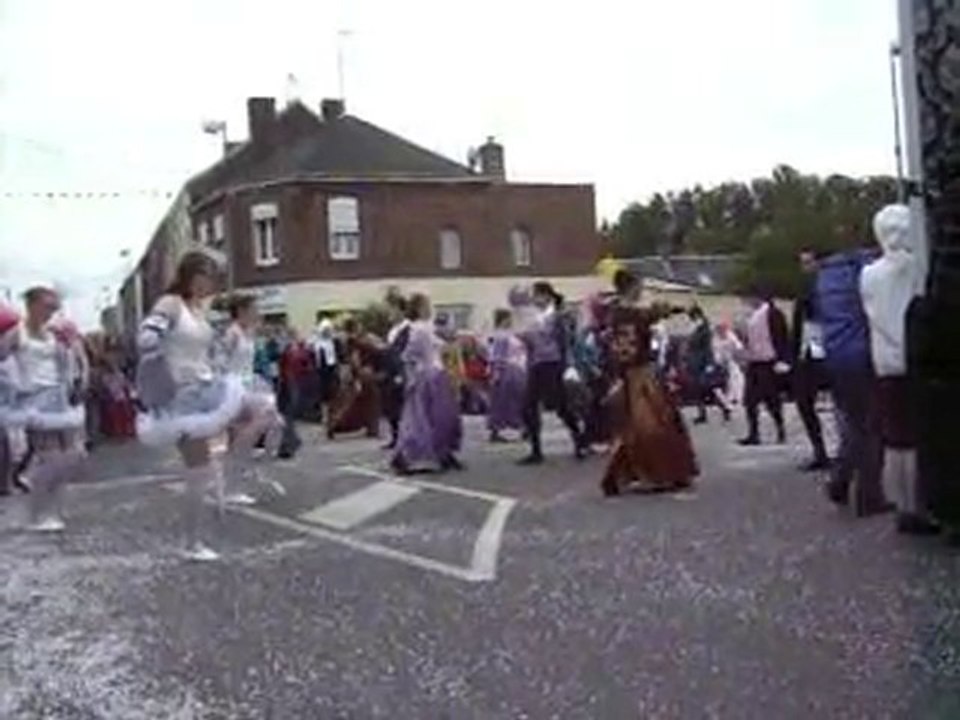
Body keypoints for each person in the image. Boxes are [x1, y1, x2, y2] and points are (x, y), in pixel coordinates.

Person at [136, 250, 245, 560]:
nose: (212, 284)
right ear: (193, 276)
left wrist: (218, 358)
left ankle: (196, 536)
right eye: (209, 276)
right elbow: (146, 337)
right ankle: (191, 542)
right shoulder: (170, 304)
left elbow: (206, 351)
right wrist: (154, 342)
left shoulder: (199, 309)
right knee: (198, 468)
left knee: (204, 466)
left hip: (203, 389)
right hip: (181, 395)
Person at [861, 204, 935, 535]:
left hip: (884, 361)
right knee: (919, 437)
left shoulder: (869, 274)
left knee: (895, 438)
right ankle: (920, 506)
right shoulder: (916, 267)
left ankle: (902, 505)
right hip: (916, 359)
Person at [601, 270, 698, 496]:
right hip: (638, 374)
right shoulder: (626, 314)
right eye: (639, 286)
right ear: (631, 287)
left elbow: (654, 314)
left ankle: (668, 473)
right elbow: (627, 345)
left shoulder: (621, 313)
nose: (641, 290)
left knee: (656, 422)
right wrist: (680, 309)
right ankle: (656, 474)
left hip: (641, 373)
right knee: (648, 425)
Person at [1, 286, 88, 531]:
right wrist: (13, 386)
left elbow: (73, 360)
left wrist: (77, 375)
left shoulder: (54, 334)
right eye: (47, 306)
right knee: (51, 456)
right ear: (32, 305)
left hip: (59, 397)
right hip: (34, 400)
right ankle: (39, 512)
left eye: (54, 307)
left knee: (73, 455)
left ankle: (48, 501)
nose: (51, 312)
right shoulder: (16, 334)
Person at [816, 244, 889, 516]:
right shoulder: (862, 272)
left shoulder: (826, 277)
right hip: (861, 354)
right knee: (870, 426)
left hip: (836, 355)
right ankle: (869, 496)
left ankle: (840, 480)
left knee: (855, 423)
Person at [219, 294, 285, 505]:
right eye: (254, 309)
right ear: (242, 311)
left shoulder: (248, 332)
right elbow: (219, 362)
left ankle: (255, 460)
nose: (258, 312)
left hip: (249, 386)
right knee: (250, 431)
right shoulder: (233, 333)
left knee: (276, 423)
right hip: (236, 389)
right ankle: (233, 487)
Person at [392, 293, 463, 475]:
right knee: (422, 418)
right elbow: (409, 354)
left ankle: (440, 453)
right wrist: (412, 372)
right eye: (426, 306)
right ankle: (412, 456)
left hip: (434, 374)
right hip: (426, 376)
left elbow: (439, 344)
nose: (429, 309)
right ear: (419, 308)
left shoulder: (426, 328)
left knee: (438, 416)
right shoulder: (418, 328)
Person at [516, 281, 586, 465]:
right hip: (536, 364)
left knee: (560, 406)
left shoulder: (557, 316)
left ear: (546, 296)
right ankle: (536, 450)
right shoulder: (535, 317)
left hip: (553, 363)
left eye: (537, 295)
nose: (534, 299)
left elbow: (564, 341)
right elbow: (532, 341)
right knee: (529, 405)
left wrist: (566, 365)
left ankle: (579, 439)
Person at [791, 249, 831, 471]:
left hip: (822, 351)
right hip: (808, 352)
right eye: (802, 263)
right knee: (805, 403)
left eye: (808, 262)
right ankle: (821, 450)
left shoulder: (824, 290)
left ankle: (826, 451)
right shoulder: (807, 290)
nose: (805, 268)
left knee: (819, 404)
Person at [738, 289, 790, 446]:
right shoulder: (752, 315)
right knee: (749, 400)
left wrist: (783, 359)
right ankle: (753, 433)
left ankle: (780, 429)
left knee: (771, 399)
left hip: (768, 361)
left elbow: (782, 336)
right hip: (754, 361)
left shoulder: (772, 313)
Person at [328, 318, 382, 439]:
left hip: (360, 373)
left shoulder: (351, 341)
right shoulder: (356, 341)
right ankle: (338, 425)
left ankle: (336, 425)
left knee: (359, 402)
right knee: (365, 402)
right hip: (363, 374)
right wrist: (358, 372)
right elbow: (356, 357)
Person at [487, 308, 527, 442]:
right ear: (503, 320)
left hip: (515, 369)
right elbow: (497, 356)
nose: (511, 321)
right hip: (508, 371)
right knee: (506, 401)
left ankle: (510, 427)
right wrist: (496, 373)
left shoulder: (507, 335)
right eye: (508, 319)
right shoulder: (501, 336)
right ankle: (500, 428)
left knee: (510, 400)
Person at [686, 305, 730, 424]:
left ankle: (724, 407)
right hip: (695, 362)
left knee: (708, 388)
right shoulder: (697, 328)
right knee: (699, 390)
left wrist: (709, 364)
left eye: (692, 316)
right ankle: (703, 414)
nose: (691, 319)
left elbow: (707, 348)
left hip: (702, 362)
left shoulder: (704, 329)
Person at [381, 296, 412, 450]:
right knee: (391, 406)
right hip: (390, 372)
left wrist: (401, 373)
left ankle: (405, 437)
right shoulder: (392, 331)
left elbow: (405, 352)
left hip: (401, 372)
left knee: (402, 406)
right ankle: (395, 436)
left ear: (401, 311)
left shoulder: (408, 329)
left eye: (392, 310)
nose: (390, 314)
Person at [312, 316, 340, 430]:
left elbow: (335, 356)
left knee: (332, 394)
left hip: (331, 369)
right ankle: (324, 416)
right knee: (323, 395)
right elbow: (317, 358)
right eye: (325, 330)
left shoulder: (332, 342)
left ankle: (331, 415)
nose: (327, 332)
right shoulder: (318, 343)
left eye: (328, 330)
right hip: (322, 371)